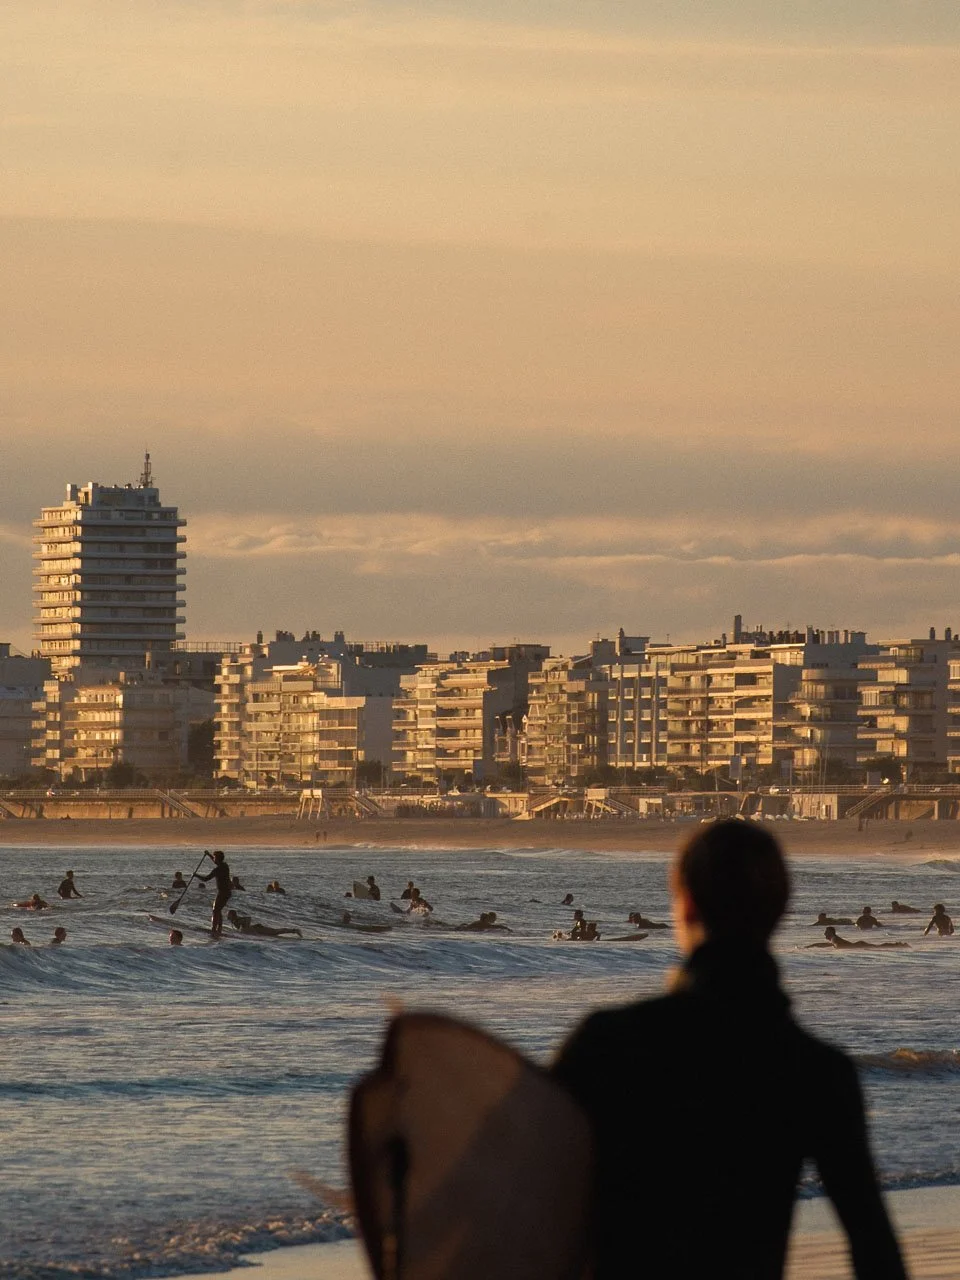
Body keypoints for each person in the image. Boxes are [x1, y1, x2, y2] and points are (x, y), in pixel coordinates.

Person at [553, 820, 906, 1280]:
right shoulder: (816, 1071)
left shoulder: (610, 1042)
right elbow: (874, 1248)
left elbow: (526, 1186)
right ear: (778, 912)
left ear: (687, 905)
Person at [197, 850, 231, 936]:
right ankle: (219, 928)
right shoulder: (225, 866)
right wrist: (209, 855)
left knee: (215, 910)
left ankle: (214, 929)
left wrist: (195, 875)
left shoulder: (217, 870)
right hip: (226, 892)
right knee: (218, 910)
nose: (214, 859)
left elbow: (206, 879)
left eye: (215, 857)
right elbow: (216, 861)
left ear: (218, 859)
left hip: (223, 892)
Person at [809, 926, 909, 951]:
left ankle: (899, 945)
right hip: (858, 944)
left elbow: (836, 946)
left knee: (878, 946)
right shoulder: (834, 939)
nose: (824, 934)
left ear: (830, 932)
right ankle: (898, 944)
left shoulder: (834, 938)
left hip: (858, 945)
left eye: (825, 932)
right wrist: (813, 945)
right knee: (878, 946)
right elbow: (829, 945)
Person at [226, 909, 302, 938]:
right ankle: (294, 931)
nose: (227, 916)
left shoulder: (238, 920)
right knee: (275, 934)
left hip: (259, 929)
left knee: (276, 931)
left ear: (233, 915)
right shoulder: (234, 921)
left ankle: (295, 930)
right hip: (257, 930)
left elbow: (248, 918)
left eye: (228, 914)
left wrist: (248, 928)